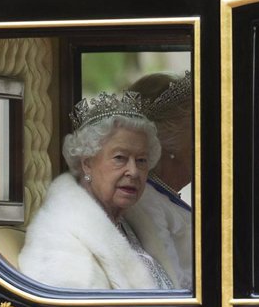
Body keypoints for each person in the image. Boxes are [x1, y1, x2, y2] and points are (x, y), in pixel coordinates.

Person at [18, 91, 181, 289]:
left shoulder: (134, 224)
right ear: (87, 163)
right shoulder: (60, 239)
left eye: (141, 160)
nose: (134, 171)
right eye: (120, 158)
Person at [126, 71, 193, 289]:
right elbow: (168, 285)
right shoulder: (146, 203)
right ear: (168, 144)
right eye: (195, 135)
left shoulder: (160, 197)